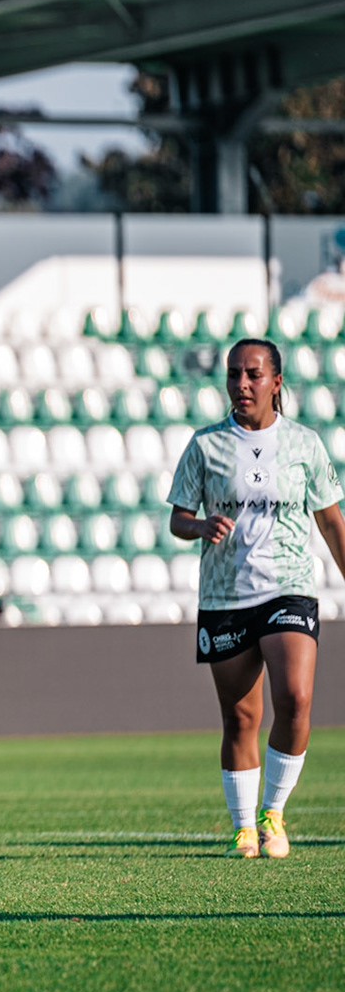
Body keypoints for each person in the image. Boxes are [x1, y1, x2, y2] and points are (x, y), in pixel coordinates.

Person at [167, 337, 345, 858]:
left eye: (252, 374)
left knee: (296, 699)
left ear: (276, 382)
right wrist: (200, 526)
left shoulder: (305, 445)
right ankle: (244, 828)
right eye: (233, 375)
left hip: (289, 586)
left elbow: (331, 523)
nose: (241, 384)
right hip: (226, 595)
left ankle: (274, 812)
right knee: (241, 717)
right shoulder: (205, 445)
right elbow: (178, 517)